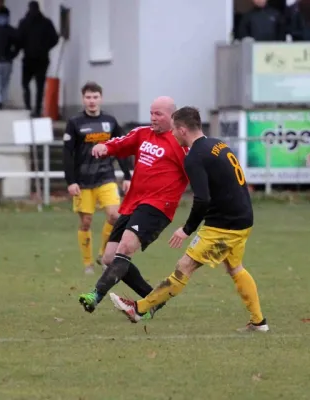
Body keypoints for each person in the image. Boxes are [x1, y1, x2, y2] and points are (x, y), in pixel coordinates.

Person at [110, 106, 269, 332]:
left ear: (183, 130)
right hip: (242, 218)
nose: (172, 134)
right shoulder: (217, 144)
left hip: (223, 226)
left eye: (174, 129)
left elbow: (202, 199)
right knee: (235, 268)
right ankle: (258, 322)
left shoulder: (194, 156)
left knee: (184, 266)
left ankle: (139, 309)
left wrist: (186, 229)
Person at [77, 96, 189, 319]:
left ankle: (95, 295)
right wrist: (104, 146)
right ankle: (153, 299)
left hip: (157, 206)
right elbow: (119, 143)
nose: (153, 118)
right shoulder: (142, 134)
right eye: (151, 113)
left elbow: (197, 173)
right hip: (132, 204)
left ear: (172, 117)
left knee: (125, 248)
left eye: (159, 114)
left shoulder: (180, 145)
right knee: (110, 258)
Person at [63, 81, 132, 275]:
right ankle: (87, 264)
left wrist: (127, 175)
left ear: (100, 98)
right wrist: (71, 181)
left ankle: (103, 254)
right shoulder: (75, 123)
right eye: (88, 97)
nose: (92, 101)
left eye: (95, 97)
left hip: (106, 177)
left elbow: (121, 148)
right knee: (86, 221)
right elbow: (67, 153)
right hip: (83, 181)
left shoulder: (110, 121)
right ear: (83, 99)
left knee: (114, 215)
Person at [17, 1, 59, 117]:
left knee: (25, 84)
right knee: (39, 85)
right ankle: (37, 108)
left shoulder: (24, 23)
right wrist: (45, 47)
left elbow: (18, 39)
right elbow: (55, 39)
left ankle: (28, 107)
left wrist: (19, 49)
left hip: (29, 58)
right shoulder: (46, 23)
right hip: (42, 58)